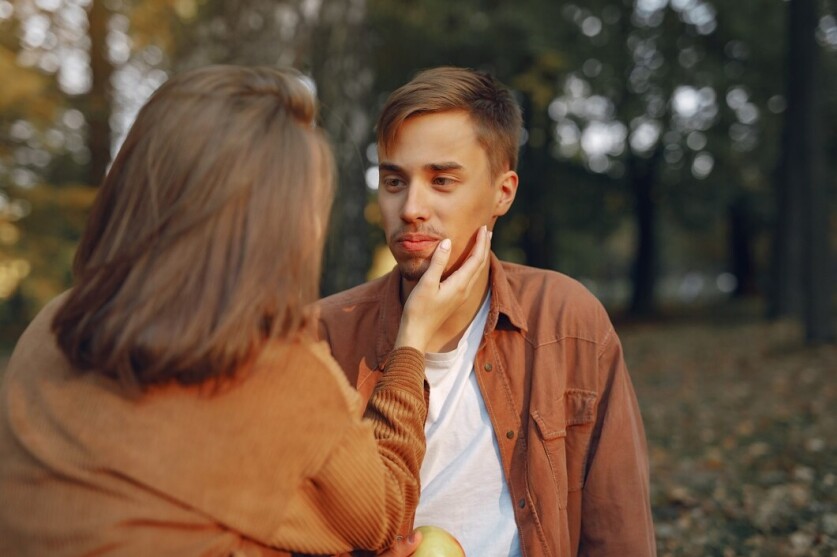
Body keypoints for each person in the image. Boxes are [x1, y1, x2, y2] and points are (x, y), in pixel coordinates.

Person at [0, 65, 490, 556]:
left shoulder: (52, 328)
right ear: (282, 225)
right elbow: (386, 518)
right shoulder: (265, 370)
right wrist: (411, 345)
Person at [318, 67, 657, 557]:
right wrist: (412, 339)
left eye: (442, 180)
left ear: (503, 192)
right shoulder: (324, 336)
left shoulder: (568, 321)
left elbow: (618, 530)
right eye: (394, 181)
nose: (411, 206)